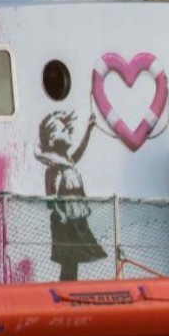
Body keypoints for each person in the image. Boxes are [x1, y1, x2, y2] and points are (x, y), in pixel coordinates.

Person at [36, 108, 106, 281]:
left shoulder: (68, 163)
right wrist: (61, 215)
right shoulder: (54, 170)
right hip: (64, 222)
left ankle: (70, 289)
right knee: (68, 261)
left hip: (76, 219)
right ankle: (65, 292)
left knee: (73, 261)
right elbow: (51, 200)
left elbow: (80, 151)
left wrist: (89, 130)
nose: (68, 132)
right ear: (52, 139)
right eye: (63, 130)